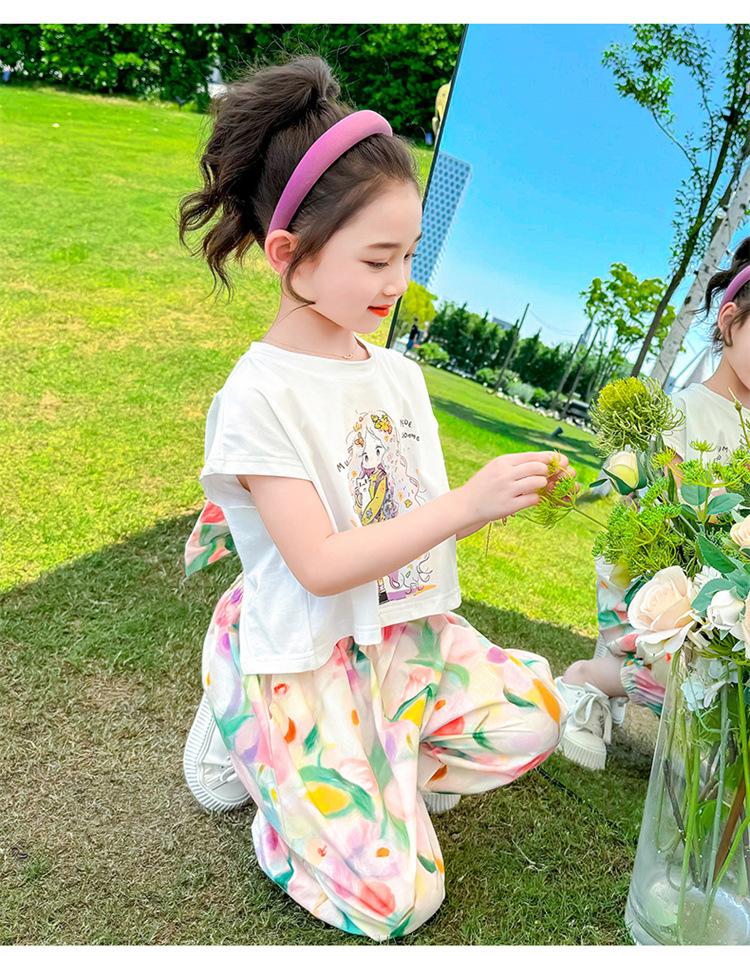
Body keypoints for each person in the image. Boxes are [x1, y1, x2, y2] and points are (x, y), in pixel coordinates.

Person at [176, 54, 571, 941]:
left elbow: (399, 522)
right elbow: (319, 566)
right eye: (376, 259)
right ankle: (262, 763)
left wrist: (481, 505)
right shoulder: (257, 396)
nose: (397, 282)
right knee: (399, 903)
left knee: (535, 721)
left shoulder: (396, 374)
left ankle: (373, 783)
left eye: (408, 255)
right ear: (289, 255)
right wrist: (466, 505)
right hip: (306, 650)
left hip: (397, 634)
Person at [555, 236, 750, 771]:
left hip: (728, 587)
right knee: (683, 672)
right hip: (656, 574)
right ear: (730, 322)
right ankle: (591, 681)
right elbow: (665, 508)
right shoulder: (683, 412)